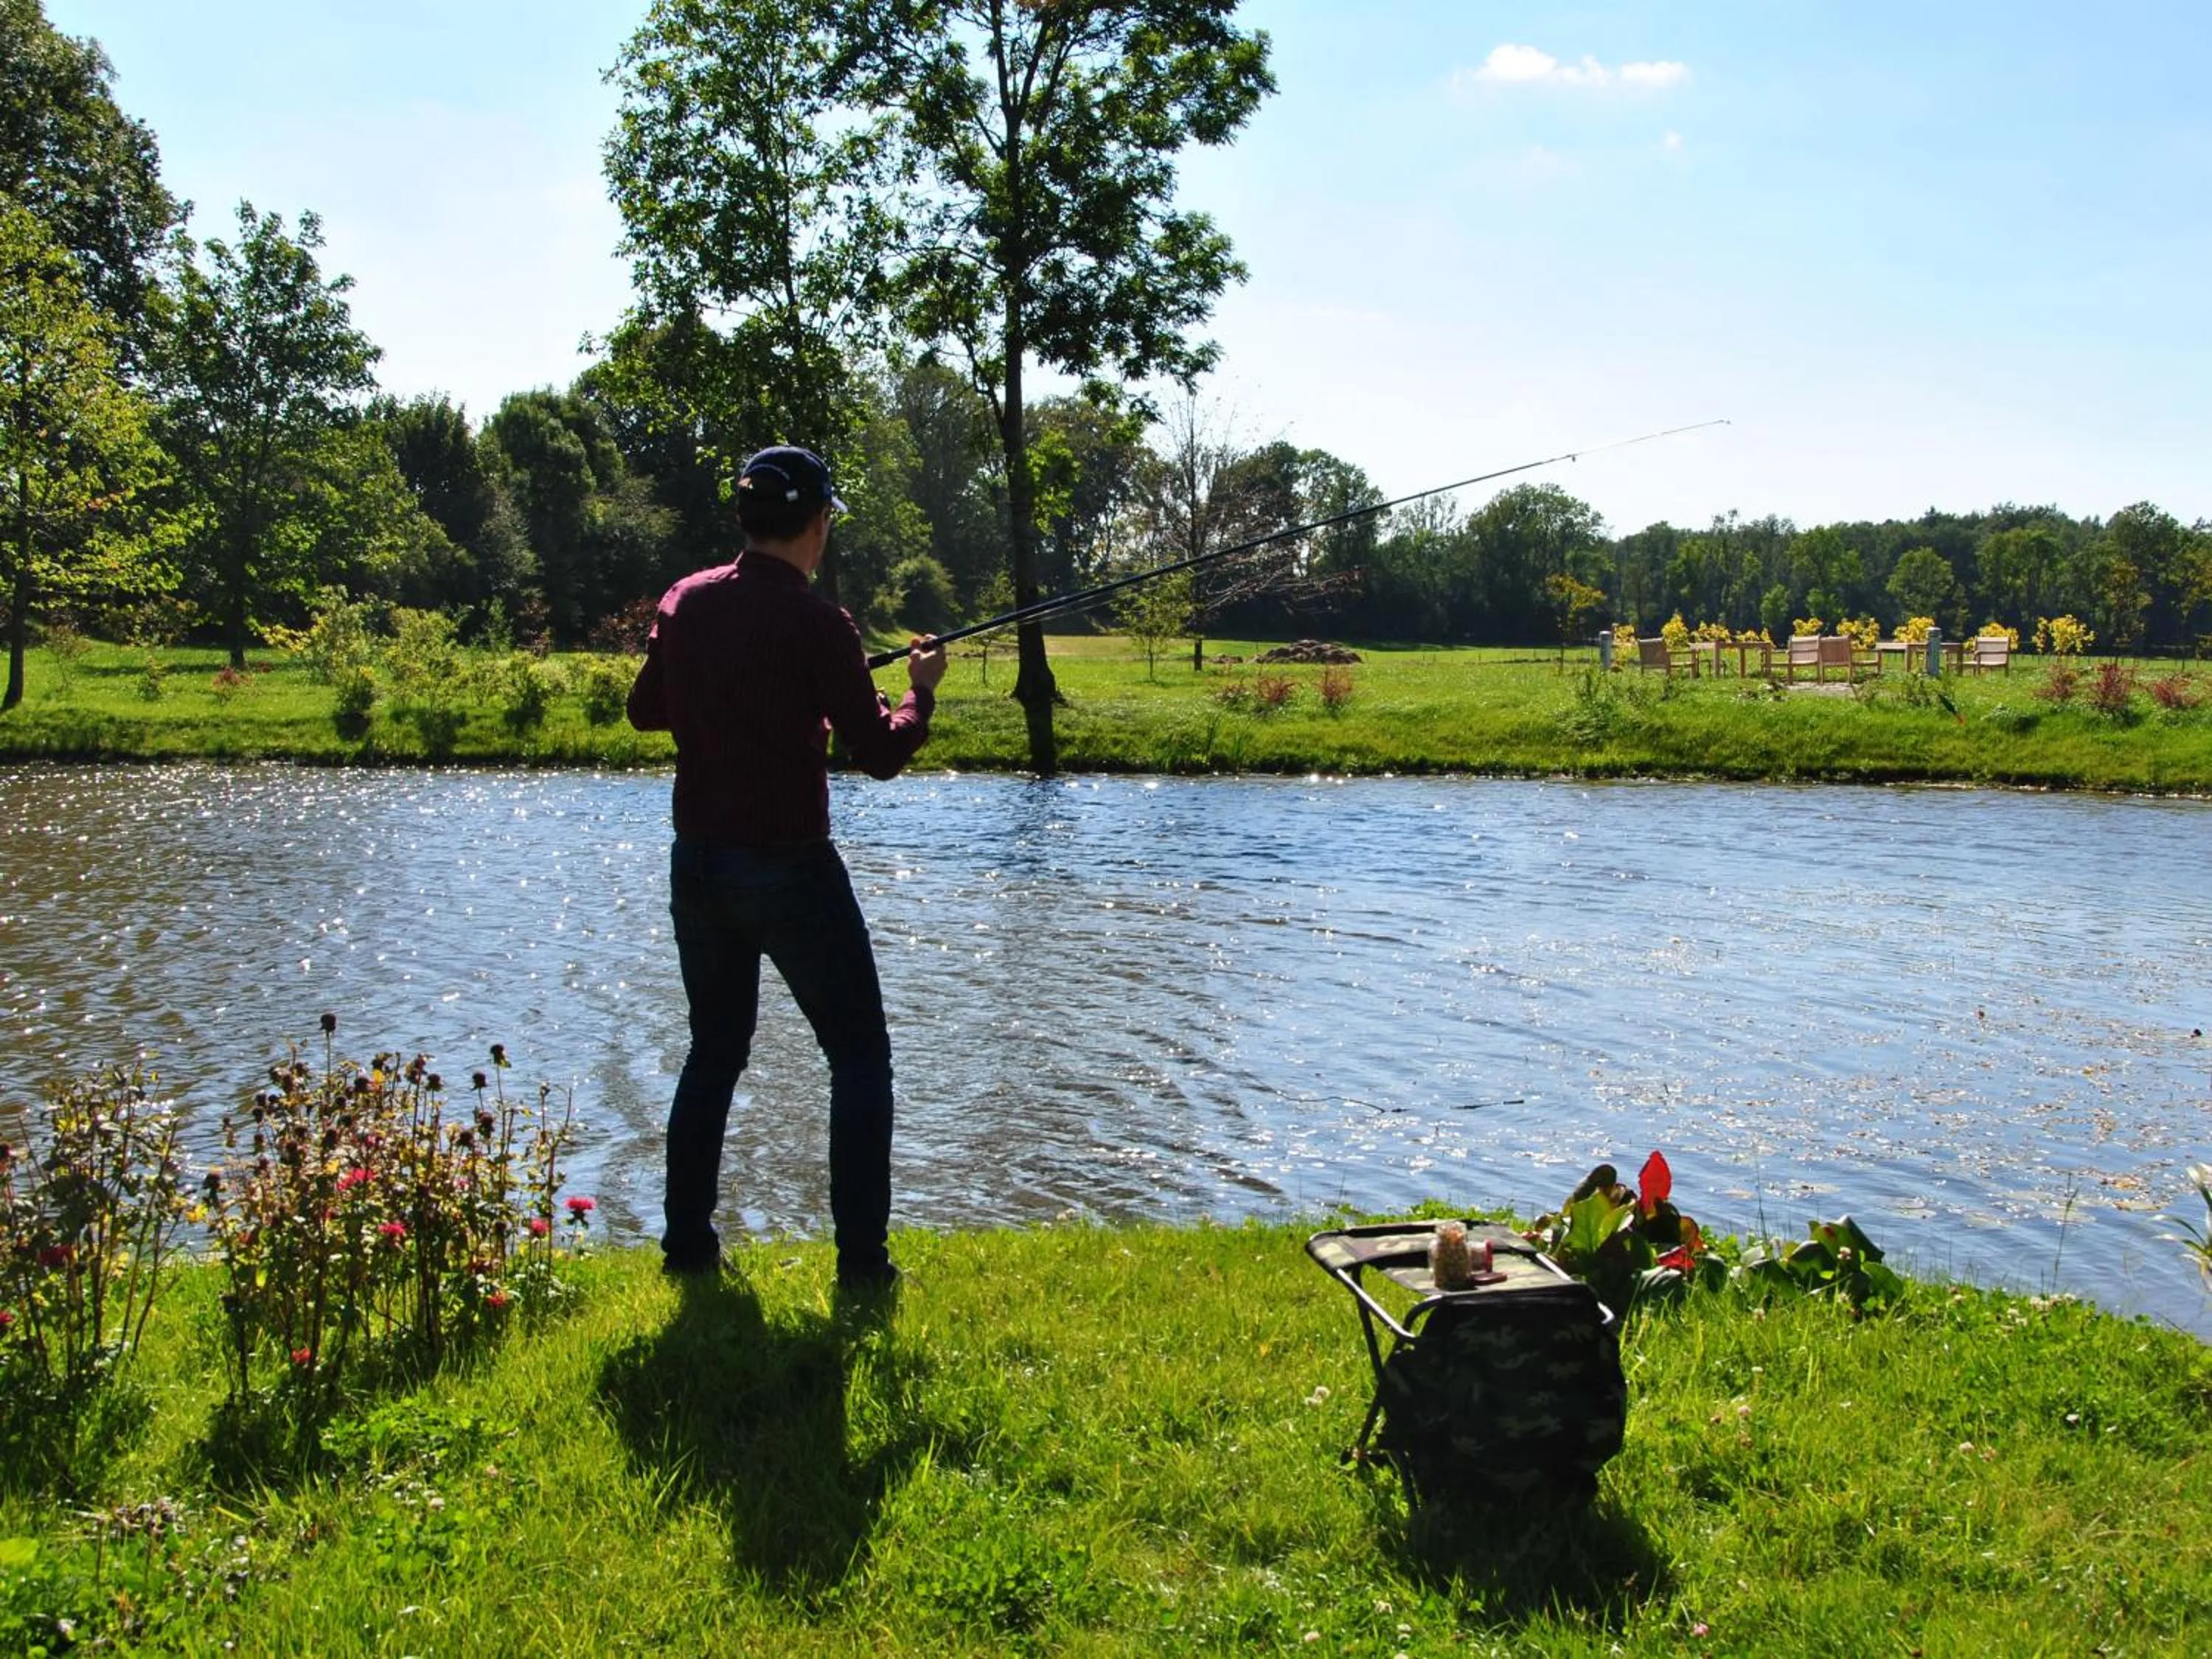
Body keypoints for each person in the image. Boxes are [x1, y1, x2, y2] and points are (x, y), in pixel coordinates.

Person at [627, 445, 946, 1287]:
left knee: (713, 1055)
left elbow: (644, 709)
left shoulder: (687, 602)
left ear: (744, 518)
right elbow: (879, 750)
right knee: (859, 1057)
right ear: (815, 523)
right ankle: (863, 1267)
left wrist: (735, 692)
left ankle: (687, 1251)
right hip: (792, 871)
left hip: (698, 865)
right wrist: (920, 691)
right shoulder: (818, 623)